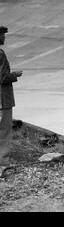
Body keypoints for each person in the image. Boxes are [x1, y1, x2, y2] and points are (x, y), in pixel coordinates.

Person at [0, 26, 23, 169]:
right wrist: (15, 75)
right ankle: (3, 161)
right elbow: (3, 78)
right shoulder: (0, 54)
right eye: (2, 35)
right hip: (3, 99)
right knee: (4, 131)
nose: (4, 37)